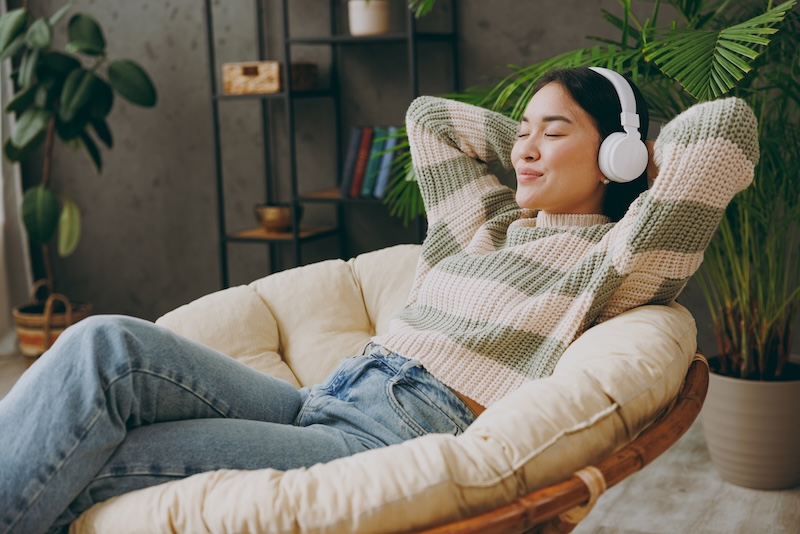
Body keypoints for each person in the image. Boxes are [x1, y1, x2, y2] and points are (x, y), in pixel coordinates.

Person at [0, 66, 758, 533]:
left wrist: (637, 151)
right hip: (326, 394)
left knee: (100, 457)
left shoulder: (614, 260)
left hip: (386, 435)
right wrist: (539, 140)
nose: (524, 146)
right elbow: (430, 118)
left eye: (552, 131)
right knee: (107, 344)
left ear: (614, 152)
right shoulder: (482, 228)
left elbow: (725, 132)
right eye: (520, 130)